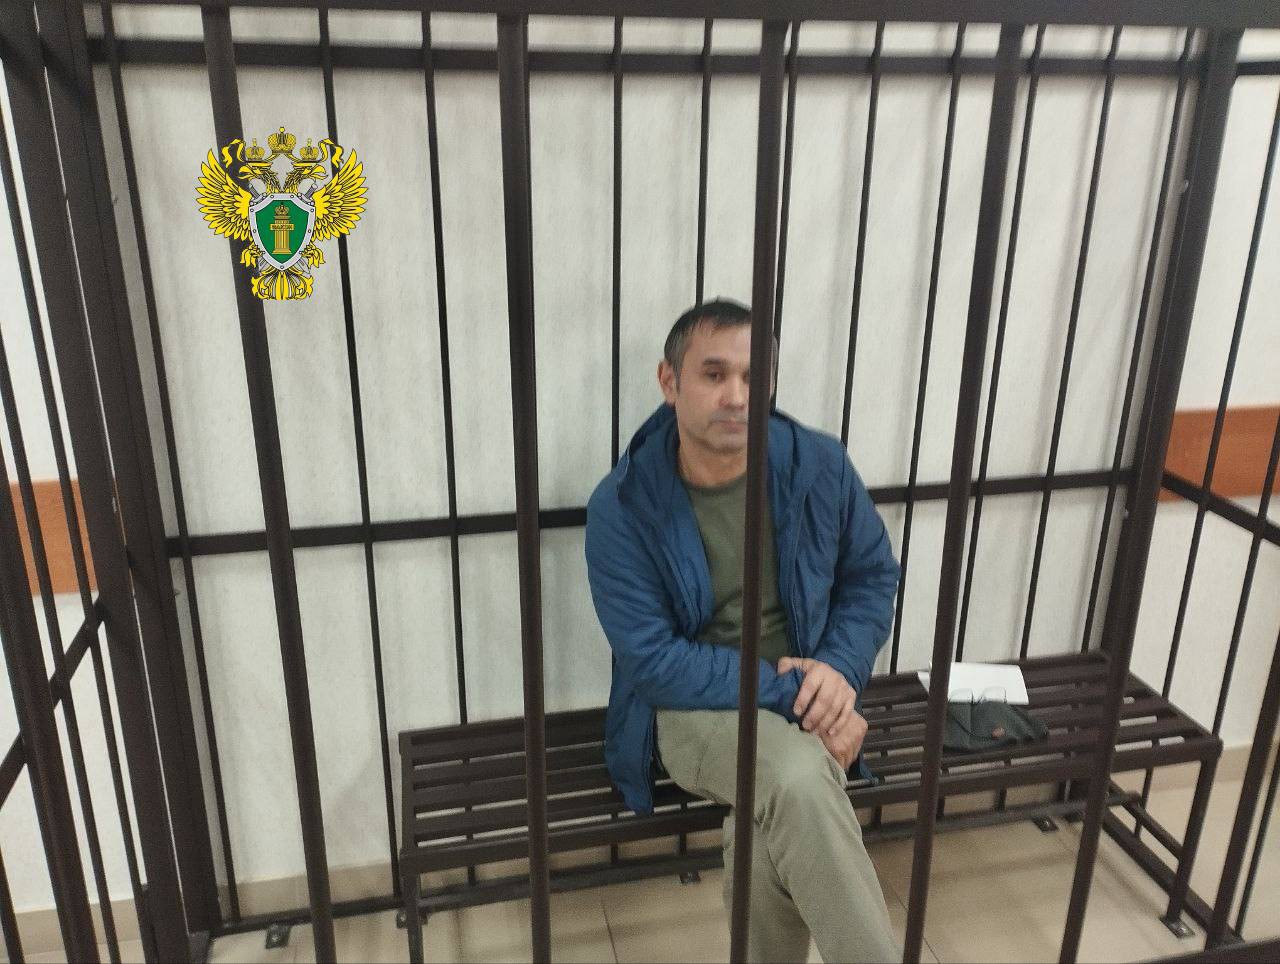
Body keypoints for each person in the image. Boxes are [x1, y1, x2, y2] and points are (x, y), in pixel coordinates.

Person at [584, 298, 902, 963]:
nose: (736, 396)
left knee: (777, 807)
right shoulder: (624, 505)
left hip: (807, 692)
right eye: (714, 374)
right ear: (669, 381)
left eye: (755, 377)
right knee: (797, 778)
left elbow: (871, 577)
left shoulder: (817, 465)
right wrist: (799, 697)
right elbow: (654, 662)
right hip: (691, 710)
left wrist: (838, 672)